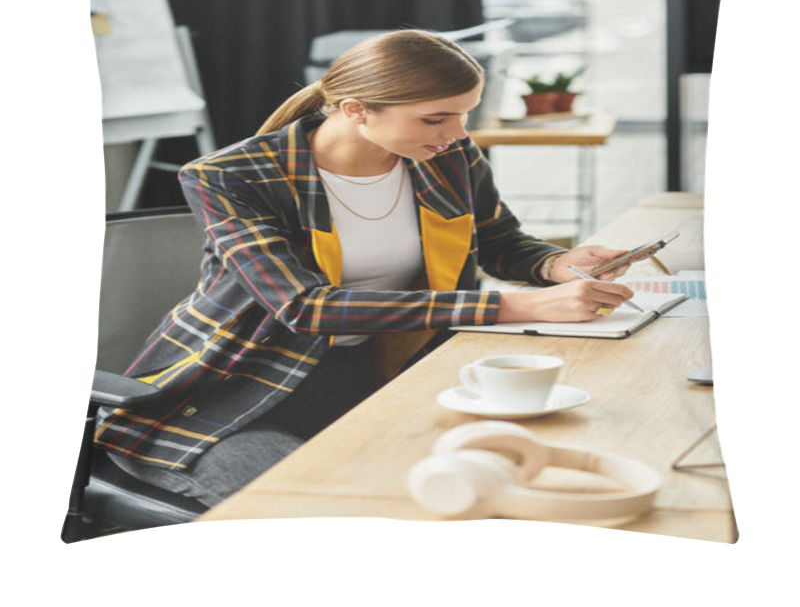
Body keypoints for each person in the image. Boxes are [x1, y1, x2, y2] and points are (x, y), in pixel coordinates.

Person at [96, 29, 635, 508]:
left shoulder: (445, 153)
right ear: (355, 109)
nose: (456, 132)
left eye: (463, 114)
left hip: (380, 378)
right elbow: (301, 306)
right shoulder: (230, 176)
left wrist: (557, 265)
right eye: (436, 117)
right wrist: (513, 304)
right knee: (320, 512)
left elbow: (498, 242)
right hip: (233, 397)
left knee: (498, 478)